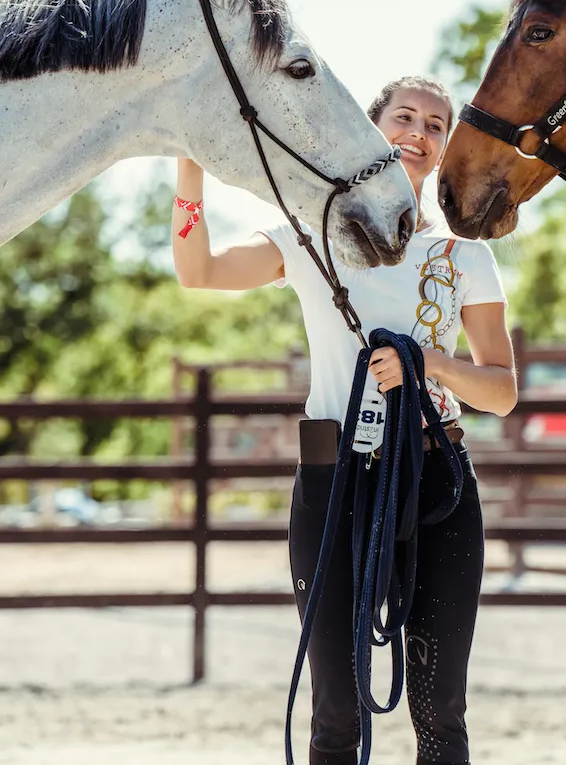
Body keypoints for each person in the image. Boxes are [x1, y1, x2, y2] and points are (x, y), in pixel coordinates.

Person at [172, 75, 517, 765]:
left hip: (437, 481)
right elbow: (200, 270)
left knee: (440, 711)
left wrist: (431, 364)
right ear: (373, 127)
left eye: (435, 125)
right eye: (405, 118)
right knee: (336, 710)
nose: (418, 134)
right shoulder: (309, 238)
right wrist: (189, 166)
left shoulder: (464, 257)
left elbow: (502, 392)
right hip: (335, 481)